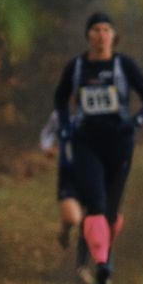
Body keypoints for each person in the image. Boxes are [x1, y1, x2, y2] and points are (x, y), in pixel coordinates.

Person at [52, 12, 143, 284]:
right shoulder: (76, 67)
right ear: (88, 36)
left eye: (106, 30)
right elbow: (59, 98)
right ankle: (99, 264)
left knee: (110, 210)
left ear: (114, 35)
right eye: (95, 30)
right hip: (86, 143)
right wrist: (64, 127)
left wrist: (134, 122)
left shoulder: (124, 65)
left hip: (120, 144)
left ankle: (102, 262)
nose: (100, 35)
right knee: (95, 203)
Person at [40, 110, 85, 272]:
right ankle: (65, 232)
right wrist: (47, 148)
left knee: (87, 220)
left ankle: (82, 264)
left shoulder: (94, 112)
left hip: (92, 172)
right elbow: (47, 132)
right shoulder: (59, 114)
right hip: (68, 173)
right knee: (76, 219)